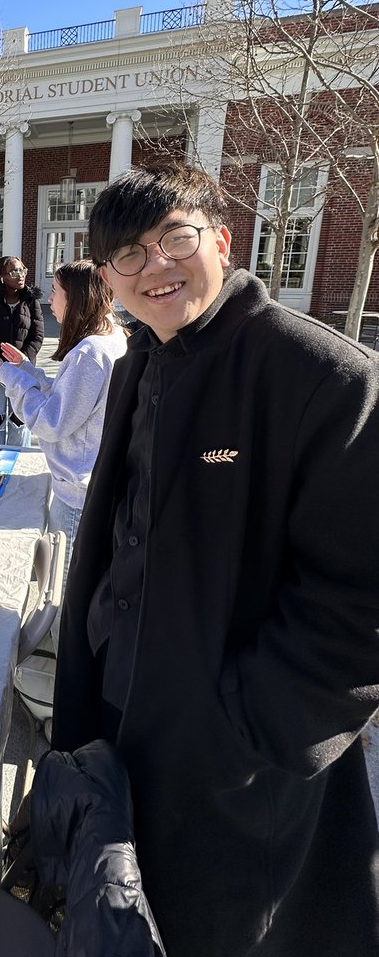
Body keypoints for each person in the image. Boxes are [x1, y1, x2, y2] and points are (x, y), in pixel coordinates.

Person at [50, 162, 379, 957]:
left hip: (236, 766)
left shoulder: (322, 375)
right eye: (128, 254)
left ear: (222, 241)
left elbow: (361, 602)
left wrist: (244, 720)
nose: (154, 266)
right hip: (128, 716)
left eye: (176, 239)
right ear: (108, 278)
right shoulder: (141, 358)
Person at [0, 259, 127, 644]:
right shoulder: (105, 341)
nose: (49, 299)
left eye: (56, 292)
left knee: (62, 591)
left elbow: (50, 421)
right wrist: (28, 371)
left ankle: (62, 654)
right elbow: (69, 400)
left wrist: (11, 378)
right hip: (87, 484)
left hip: (78, 493)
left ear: (76, 298)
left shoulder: (90, 352)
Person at [0, 255, 44, 447]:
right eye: (14, 271)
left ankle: (17, 460)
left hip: (23, 371)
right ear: (1, 276)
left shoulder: (31, 302)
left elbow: (37, 337)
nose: (20, 275)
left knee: (19, 419)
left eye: (22, 270)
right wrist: (0, 365)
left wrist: (22, 363)